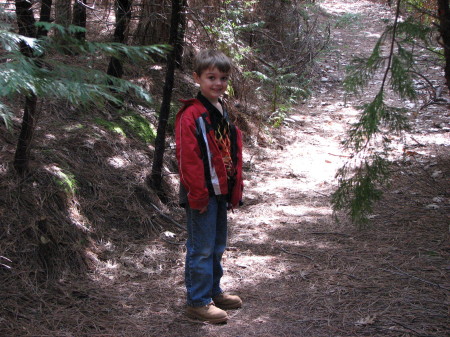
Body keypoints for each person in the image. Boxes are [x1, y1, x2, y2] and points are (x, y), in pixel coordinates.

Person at [175, 49, 244, 324]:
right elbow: (188, 158)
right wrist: (197, 194)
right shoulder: (191, 114)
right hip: (200, 192)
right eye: (211, 77)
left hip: (219, 189)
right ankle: (197, 301)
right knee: (201, 247)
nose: (217, 83)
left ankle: (214, 292)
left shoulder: (220, 109)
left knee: (216, 245)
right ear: (197, 78)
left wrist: (232, 188)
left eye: (223, 78)